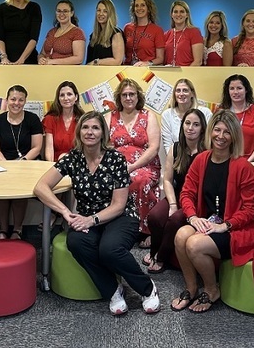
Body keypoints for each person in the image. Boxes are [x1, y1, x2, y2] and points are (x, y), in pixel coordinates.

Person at [34, 111, 161, 314]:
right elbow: (41, 187)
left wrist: (91, 221)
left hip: (120, 216)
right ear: (79, 132)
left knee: (109, 249)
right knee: (75, 242)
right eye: (85, 127)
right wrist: (65, 212)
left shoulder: (115, 159)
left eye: (95, 127)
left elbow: (119, 205)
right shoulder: (72, 158)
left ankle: (147, 288)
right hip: (86, 217)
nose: (90, 132)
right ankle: (113, 291)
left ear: (103, 132)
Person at [170, 110, 254, 313]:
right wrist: (192, 217)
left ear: (234, 136)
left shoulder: (243, 166)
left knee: (194, 244)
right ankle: (191, 287)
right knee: (181, 235)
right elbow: (186, 193)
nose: (220, 136)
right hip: (207, 222)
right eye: (217, 130)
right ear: (210, 132)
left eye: (227, 132)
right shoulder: (201, 160)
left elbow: (251, 209)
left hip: (234, 228)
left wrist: (225, 225)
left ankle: (211, 290)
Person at [145, 109, 207, 273]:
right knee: (155, 216)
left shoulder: (207, 151)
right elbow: (167, 179)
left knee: (175, 221)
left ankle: (161, 258)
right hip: (176, 195)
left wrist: (178, 209)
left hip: (196, 200)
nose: (190, 128)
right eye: (187, 123)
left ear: (202, 128)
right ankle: (154, 250)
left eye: (196, 124)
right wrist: (172, 204)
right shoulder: (176, 148)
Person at [105, 79, 161, 246]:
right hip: (117, 165)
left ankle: (146, 230)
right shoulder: (110, 116)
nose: (128, 97)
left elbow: (154, 147)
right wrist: (118, 166)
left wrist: (132, 167)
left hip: (145, 165)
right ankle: (116, 227)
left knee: (140, 180)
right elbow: (104, 146)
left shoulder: (147, 115)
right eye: (124, 95)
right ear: (119, 97)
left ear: (138, 96)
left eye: (132, 94)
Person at [0, 85, 43, 239]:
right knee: (0, 192)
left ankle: (17, 230)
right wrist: (7, 164)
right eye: (13, 99)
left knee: (20, 192)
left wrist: (22, 162)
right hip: (2, 164)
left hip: (28, 163)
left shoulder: (32, 119)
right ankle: (3, 230)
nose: (16, 103)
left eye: (21, 100)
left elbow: (37, 147)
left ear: (25, 101)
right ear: (7, 100)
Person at [219, 74, 254, 161]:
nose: (235, 92)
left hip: (252, 162)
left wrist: (248, 162)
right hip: (227, 162)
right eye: (232, 88)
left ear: (246, 90)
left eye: (239, 88)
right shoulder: (221, 112)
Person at [0, 0, 42, 65]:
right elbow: (0, 37)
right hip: (6, 59)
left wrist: (22, 59)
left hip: (28, 58)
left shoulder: (34, 8)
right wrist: (4, 57)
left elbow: (34, 38)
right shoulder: (1, 8)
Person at [159, 78, 212, 153]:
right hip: (177, 158)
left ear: (192, 94)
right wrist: (175, 159)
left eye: (185, 90)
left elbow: (209, 139)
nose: (181, 94)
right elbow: (168, 144)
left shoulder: (205, 112)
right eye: (178, 91)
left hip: (201, 156)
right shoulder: (167, 114)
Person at [42, 81, 85, 162]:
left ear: (76, 97)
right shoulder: (50, 119)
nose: (66, 98)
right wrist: (51, 166)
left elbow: (85, 148)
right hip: (56, 164)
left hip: (77, 162)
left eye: (69, 94)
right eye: (62, 95)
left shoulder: (83, 119)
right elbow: (49, 148)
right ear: (58, 99)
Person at [38, 0, 85, 65]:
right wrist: (40, 59)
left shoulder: (77, 32)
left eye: (65, 11)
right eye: (59, 11)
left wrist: (52, 61)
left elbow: (78, 59)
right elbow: (42, 54)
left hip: (66, 72)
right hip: (47, 71)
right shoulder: (51, 32)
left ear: (71, 13)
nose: (61, 14)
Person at [123, 0, 165, 66]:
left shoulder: (157, 30)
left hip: (148, 71)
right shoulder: (127, 28)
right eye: (136, 6)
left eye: (143, 5)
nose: (139, 8)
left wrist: (148, 63)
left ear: (148, 9)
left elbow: (160, 58)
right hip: (129, 68)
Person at [164, 0, 203, 67]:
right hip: (169, 74)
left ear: (187, 15)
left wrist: (185, 75)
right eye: (175, 12)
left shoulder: (194, 32)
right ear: (172, 15)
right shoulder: (166, 34)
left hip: (187, 75)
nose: (178, 14)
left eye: (182, 11)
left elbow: (198, 61)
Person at [86, 0, 124, 65]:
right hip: (93, 73)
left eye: (105, 11)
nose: (101, 14)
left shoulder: (116, 33)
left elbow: (117, 61)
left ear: (110, 14)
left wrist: (96, 62)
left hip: (110, 74)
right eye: (99, 10)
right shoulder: (94, 35)